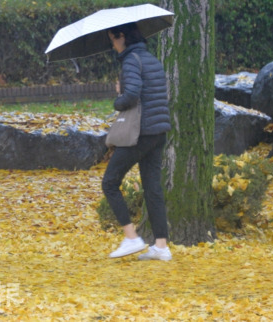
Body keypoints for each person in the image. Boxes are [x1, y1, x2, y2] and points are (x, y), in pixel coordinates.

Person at [102, 23, 172, 261]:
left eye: (113, 38)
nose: (112, 44)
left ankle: (132, 238)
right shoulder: (151, 59)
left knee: (110, 183)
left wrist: (118, 97)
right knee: (153, 188)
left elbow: (132, 95)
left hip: (139, 134)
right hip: (158, 132)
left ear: (122, 36)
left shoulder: (131, 60)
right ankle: (161, 247)